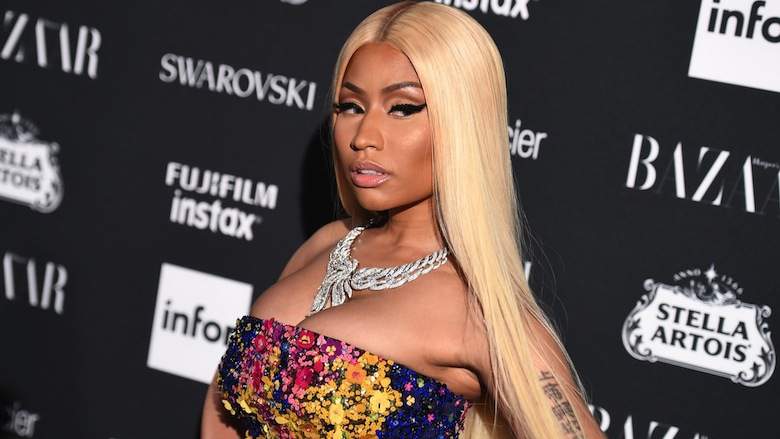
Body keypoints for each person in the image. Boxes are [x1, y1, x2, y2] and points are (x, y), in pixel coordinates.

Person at [201, 1, 605, 438]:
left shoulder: (478, 311)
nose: (363, 137)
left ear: (463, 123)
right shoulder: (325, 244)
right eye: (351, 106)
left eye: (403, 108)